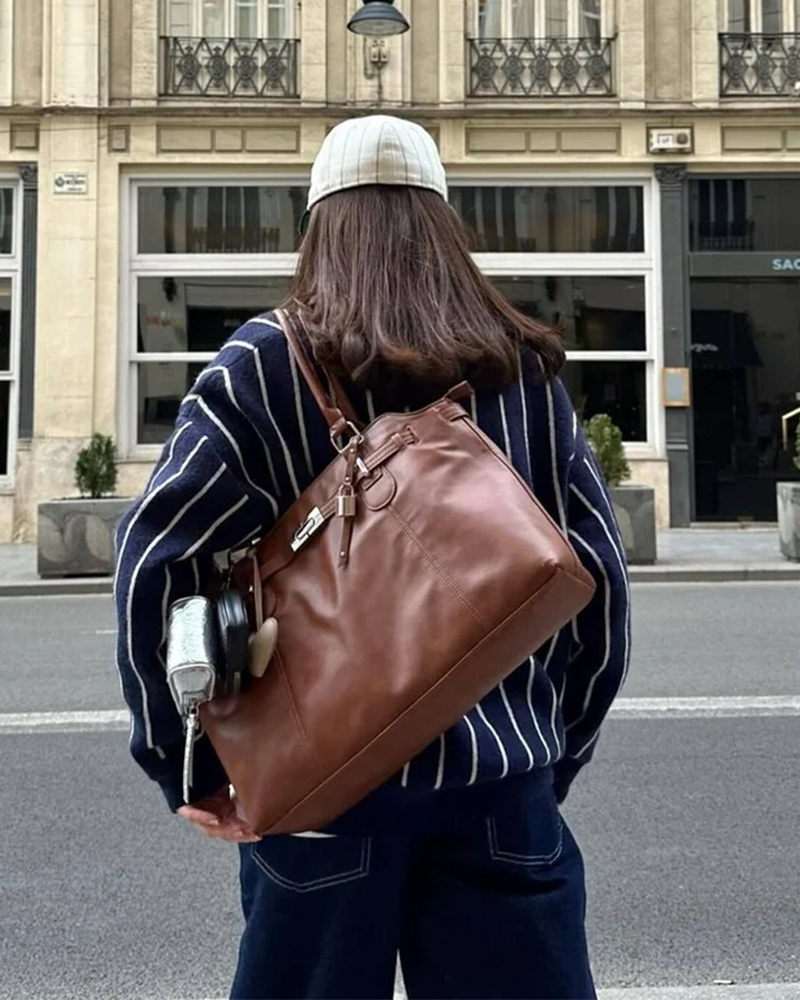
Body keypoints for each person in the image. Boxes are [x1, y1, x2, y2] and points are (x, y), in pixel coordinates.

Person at [114, 114, 630, 1000]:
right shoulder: (521, 370)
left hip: (320, 791)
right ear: (444, 226)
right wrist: (551, 752)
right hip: (499, 787)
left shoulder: (264, 364)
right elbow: (598, 588)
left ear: (318, 226)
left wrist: (186, 762)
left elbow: (154, 567)